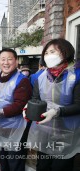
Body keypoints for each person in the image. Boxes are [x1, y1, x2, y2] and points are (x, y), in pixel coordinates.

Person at [24, 38, 80, 171]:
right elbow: (36, 98)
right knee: (42, 165)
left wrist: (56, 112)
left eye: (53, 51)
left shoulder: (76, 75)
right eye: (46, 53)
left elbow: (78, 105)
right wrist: (29, 107)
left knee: (60, 167)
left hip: (67, 132)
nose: (49, 56)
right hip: (45, 131)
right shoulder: (40, 77)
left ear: (65, 52)